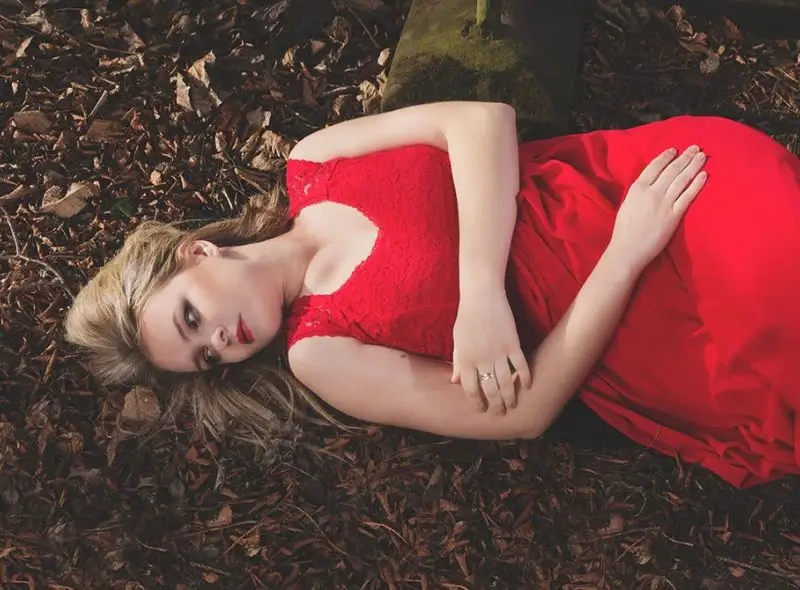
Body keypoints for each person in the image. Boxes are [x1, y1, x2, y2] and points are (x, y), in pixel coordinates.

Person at [64, 101, 800, 488]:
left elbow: (481, 121)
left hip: (601, 187)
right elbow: (526, 414)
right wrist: (627, 252)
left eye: (191, 317)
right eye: (203, 357)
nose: (218, 341)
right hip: (627, 307)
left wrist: (479, 294)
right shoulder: (321, 355)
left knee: (764, 205)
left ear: (196, 253)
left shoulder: (314, 161)